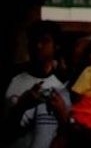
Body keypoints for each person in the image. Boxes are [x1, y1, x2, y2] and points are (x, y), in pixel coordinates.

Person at [4, 20, 69, 148]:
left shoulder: (65, 83)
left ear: (56, 46)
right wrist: (21, 106)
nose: (38, 45)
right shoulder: (10, 77)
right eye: (34, 40)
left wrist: (63, 114)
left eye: (45, 41)